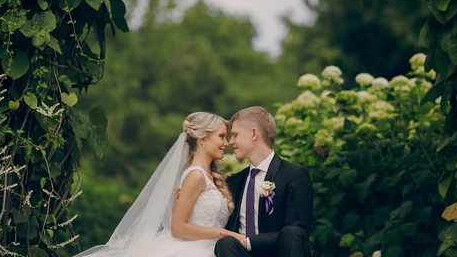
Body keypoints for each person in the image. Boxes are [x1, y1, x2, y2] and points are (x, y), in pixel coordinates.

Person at [74, 112, 237, 257]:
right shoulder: (196, 176)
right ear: (202, 138)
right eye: (221, 136)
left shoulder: (208, 176)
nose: (227, 142)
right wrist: (220, 233)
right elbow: (178, 228)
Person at [214, 106, 313, 257]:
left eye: (235, 135)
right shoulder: (234, 181)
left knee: (292, 232)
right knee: (225, 243)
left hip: (281, 253)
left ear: (254, 133)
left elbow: (298, 231)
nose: (230, 142)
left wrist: (248, 242)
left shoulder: (294, 174)